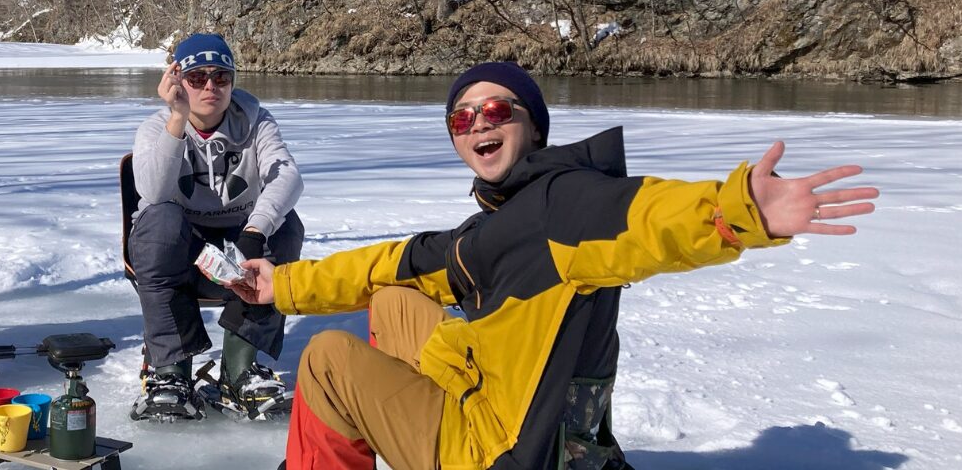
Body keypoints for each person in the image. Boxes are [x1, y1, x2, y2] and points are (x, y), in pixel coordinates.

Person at [230, 62, 879, 469]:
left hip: (499, 453)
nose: (477, 123)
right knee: (397, 297)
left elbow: (650, 222)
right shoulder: (501, 226)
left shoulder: (568, 207)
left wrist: (739, 210)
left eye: (494, 110)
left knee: (326, 361)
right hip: (507, 407)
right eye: (462, 115)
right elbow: (397, 261)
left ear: (531, 125)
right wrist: (282, 284)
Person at [127, 32, 306, 421]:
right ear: (177, 80)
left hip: (241, 251)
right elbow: (153, 192)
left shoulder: (257, 121)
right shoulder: (155, 127)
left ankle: (238, 370)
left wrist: (255, 233)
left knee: (287, 225)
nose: (211, 86)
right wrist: (177, 118)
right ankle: (171, 373)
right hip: (180, 256)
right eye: (197, 78)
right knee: (160, 220)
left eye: (222, 77)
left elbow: (287, 176)